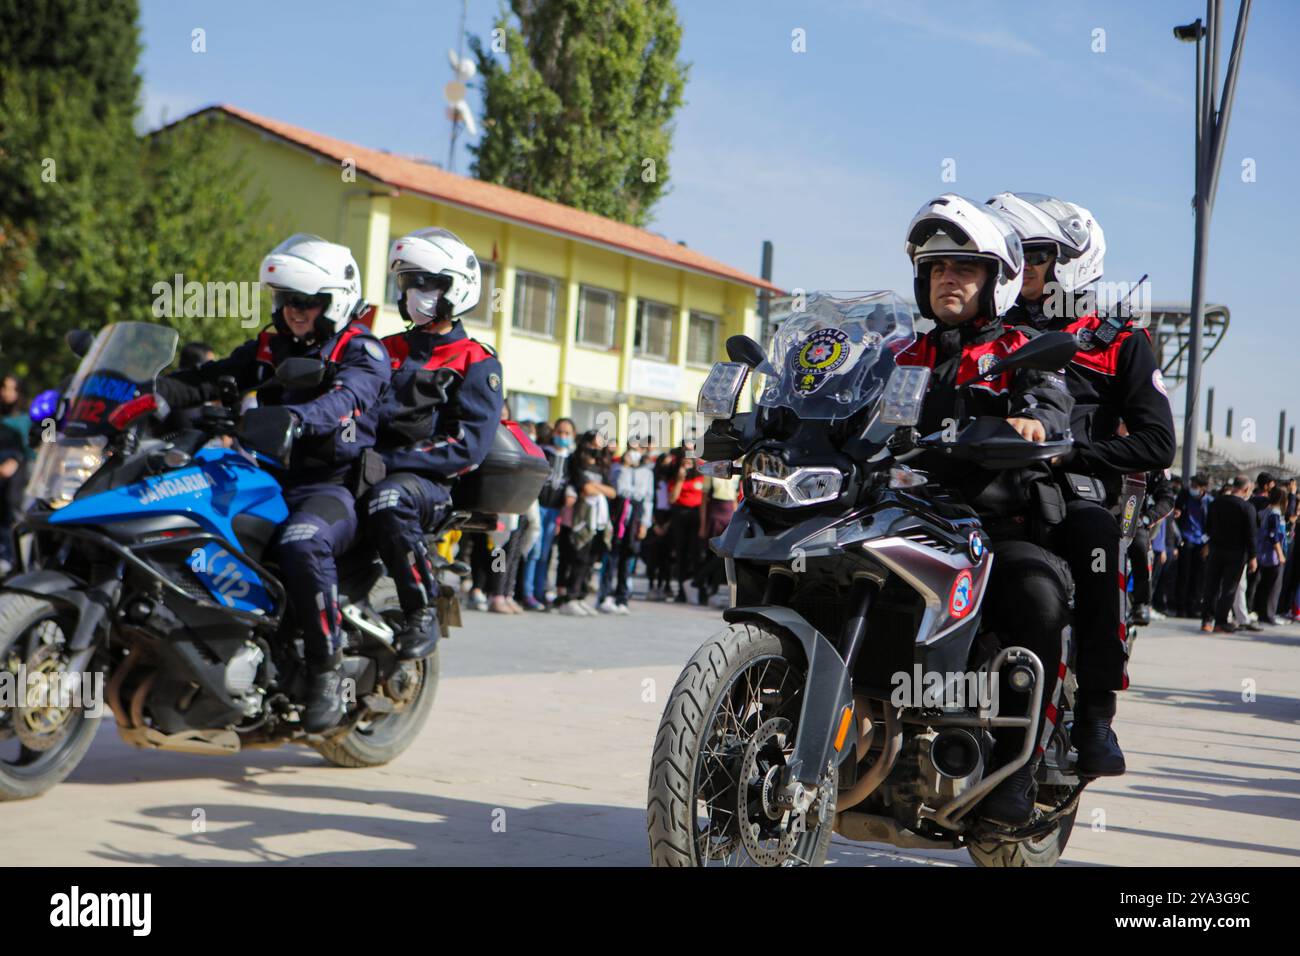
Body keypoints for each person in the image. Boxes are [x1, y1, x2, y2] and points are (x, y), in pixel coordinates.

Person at [156, 234, 390, 731]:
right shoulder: (269, 345)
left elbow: (347, 400)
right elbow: (211, 378)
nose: (293, 311)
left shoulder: (362, 350)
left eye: (306, 301)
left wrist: (297, 419)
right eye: (286, 300)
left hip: (331, 487)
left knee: (303, 543)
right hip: (264, 476)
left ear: (335, 300)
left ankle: (326, 669)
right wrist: (143, 393)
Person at [896, 194, 1075, 825]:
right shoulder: (899, 356)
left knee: (1038, 596)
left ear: (994, 282)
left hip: (990, 527)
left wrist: (1032, 421)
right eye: (938, 267)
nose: (949, 277)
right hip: (905, 519)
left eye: (965, 268)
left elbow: (1052, 401)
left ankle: (1018, 770)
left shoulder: (1021, 349)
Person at [990, 192, 1176, 779]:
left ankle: (1095, 715)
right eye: (1013, 256)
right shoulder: (988, 330)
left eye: (1034, 257)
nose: (1020, 269)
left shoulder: (1122, 341)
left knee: (1097, 539)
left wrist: (1079, 453)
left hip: (1073, 494)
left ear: (1071, 263)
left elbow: (1157, 443)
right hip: (988, 486)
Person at [363, 228, 503, 651]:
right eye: (409, 283)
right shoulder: (381, 348)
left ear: (457, 289)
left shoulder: (476, 360)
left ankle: (419, 609)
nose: (416, 293)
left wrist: (391, 460)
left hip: (426, 486)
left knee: (388, 500)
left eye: (429, 283)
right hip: (361, 466)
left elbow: (467, 446)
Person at [597, 439, 654, 614]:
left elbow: (648, 499)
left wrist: (645, 523)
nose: (634, 453)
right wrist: (626, 467)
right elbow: (619, 489)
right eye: (631, 449)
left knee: (628, 558)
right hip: (620, 513)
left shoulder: (647, 473)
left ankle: (622, 597)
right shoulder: (617, 469)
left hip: (636, 516)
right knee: (612, 556)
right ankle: (604, 596)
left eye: (637, 449)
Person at [1200, 475, 1258, 633]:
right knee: (1229, 588)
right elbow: (1251, 535)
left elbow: (1208, 527)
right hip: (1236, 554)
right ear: (1246, 489)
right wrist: (1253, 556)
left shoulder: (1216, 503)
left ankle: (1207, 620)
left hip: (1215, 550)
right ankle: (1220, 622)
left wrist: (1207, 545)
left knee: (1211, 586)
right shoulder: (1247, 508)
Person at [1174, 474, 1212, 616]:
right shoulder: (1183, 498)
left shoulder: (1210, 502)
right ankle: (1180, 606)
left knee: (1198, 576)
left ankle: (1193, 606)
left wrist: (1208, 543)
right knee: (1184, 574)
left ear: (1203, 488)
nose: (1192, 489)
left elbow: (1212, 525)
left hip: (1202, 542)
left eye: (1196, 486)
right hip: (1186, 538)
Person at [1254, 486, 1288, 625]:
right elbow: (1273, 536)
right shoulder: (1275, 513)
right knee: (1274, 585)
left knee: (1264, 584)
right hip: (1272, 554)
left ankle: (1262, 612)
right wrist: (1280, 554)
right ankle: (1269, 614)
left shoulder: (1264, 511)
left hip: (1262, 552)